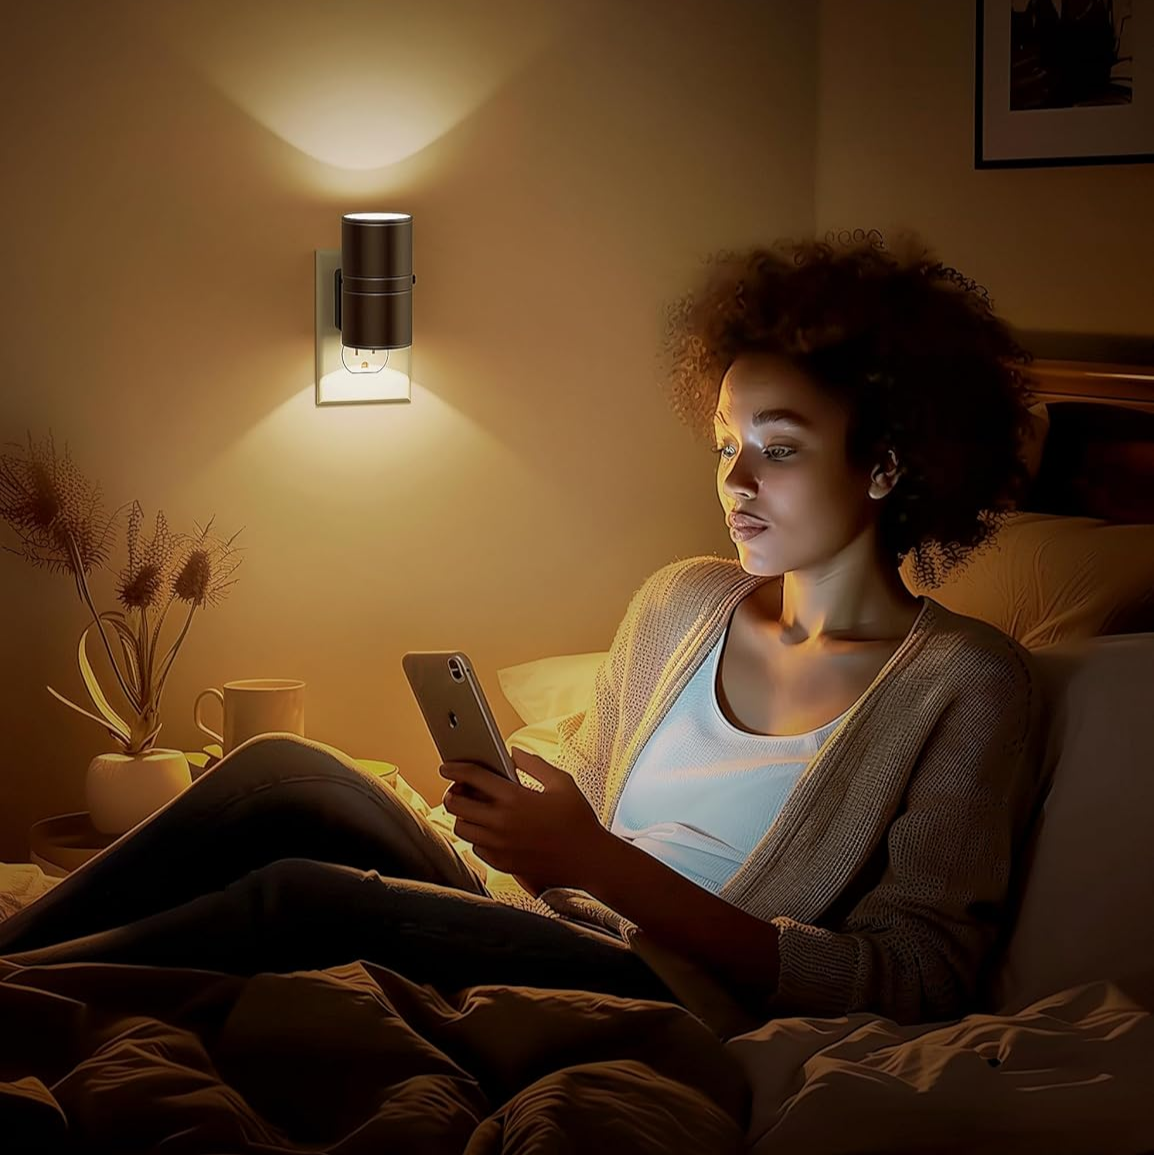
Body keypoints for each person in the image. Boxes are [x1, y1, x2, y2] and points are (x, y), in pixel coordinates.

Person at [0, 228, 1047, 1032]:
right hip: (544, 911)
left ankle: (20, 998)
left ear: (885, 465)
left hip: (661, 984)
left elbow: (914, 981)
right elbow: (579, 783)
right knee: (287, 774)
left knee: (301, 899)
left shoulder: (964, 684)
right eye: (723, 442)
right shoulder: (684, 599)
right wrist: (513, 806)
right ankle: (16, 958)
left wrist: (594, 863)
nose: (731, 481)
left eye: (775, 449)